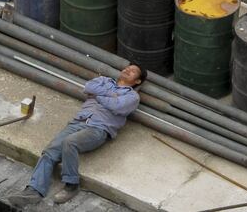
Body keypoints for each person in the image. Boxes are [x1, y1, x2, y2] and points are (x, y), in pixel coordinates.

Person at [8, 64, 147, 207]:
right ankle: (34, 191)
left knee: (70, 142)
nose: (127, 70)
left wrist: (98, 96)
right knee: (50, 152)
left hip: (98, 128)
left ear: (137, 81)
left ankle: (72, 185)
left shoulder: (132, 96)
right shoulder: (105, 80)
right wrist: (111, 96)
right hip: (77, 122)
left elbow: (117, 107)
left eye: (133, 71)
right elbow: (88, 88)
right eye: (127, 67)